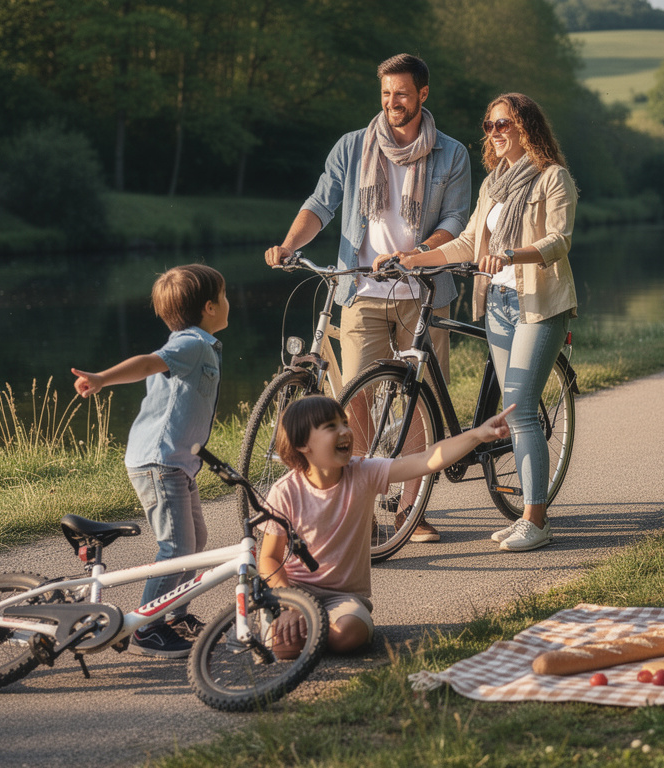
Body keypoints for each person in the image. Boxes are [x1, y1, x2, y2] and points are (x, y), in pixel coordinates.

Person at [264, 53, 471, 544]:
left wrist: (417, 253)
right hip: (359, 288)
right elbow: (321, 204)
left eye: (401, 93)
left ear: (423, 95)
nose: (391, 102)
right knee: (353, 399)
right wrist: (290, 244)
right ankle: (357, 502)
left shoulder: (452, 154)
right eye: (385, 93)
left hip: (423, 290)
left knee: (420, 402)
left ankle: (410, 510)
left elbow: (457, 221)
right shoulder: (354, 147)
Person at [375, 93, 578, 552]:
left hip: (539, 301)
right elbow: (467, 242)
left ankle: (536, 518)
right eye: (489, 126)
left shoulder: (553, 178)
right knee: (510, 409)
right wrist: (414, 257)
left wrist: (510, 254)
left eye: (503, 124)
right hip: (500, 302)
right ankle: (525, 513)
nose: (495, 133)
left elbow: (558, 241)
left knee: (522, 409)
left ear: (526, 126)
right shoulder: (494, 185)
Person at [257, 396, 515, 655]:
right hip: (294, 591)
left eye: (344, 423)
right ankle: (302, 628)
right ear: (302, 444)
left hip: (342, 598)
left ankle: (313, 632)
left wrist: (478, 434)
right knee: (281, 647)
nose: (345, 431)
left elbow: (426, 460)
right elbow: (268, 558)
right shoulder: (285, 492)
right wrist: (293, 606)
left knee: (349, 635)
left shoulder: (364, 472)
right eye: (331, 427)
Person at [71, 264, 229, 657]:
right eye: (225, 297)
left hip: (177, 464)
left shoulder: (200, 344)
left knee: (196, 541)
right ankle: (147, 626)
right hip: (161, 463)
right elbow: (147, 362)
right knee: (176, 547)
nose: (229, 303)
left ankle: (174, 614)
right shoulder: (189, 344)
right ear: (210, 307)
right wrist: (104, 378)